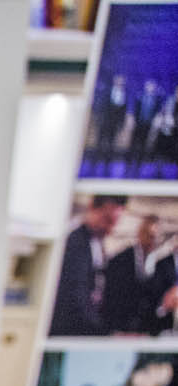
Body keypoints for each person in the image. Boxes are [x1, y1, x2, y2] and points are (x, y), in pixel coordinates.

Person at [50, 195, 126, 337]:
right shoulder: (76, 243)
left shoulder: (96, 241)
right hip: (69, 330)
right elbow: (76, 298)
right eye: (107, 220)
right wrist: (104, 333)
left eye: (115, 223)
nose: (110, 229)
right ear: (92, 207)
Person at [94, 75, 129, 164]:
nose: (120, 82)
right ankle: (95, 161)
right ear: (114, 81)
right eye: (118, 80)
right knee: (100, 141)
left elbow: (123, 111)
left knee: (111, 143)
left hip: (115, 123)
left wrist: (121, 124)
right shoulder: (107, 91)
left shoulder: (124, 95)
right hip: (105, 121)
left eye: (122, 81)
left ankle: (107, 162)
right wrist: (99, 119)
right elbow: (101, 106)